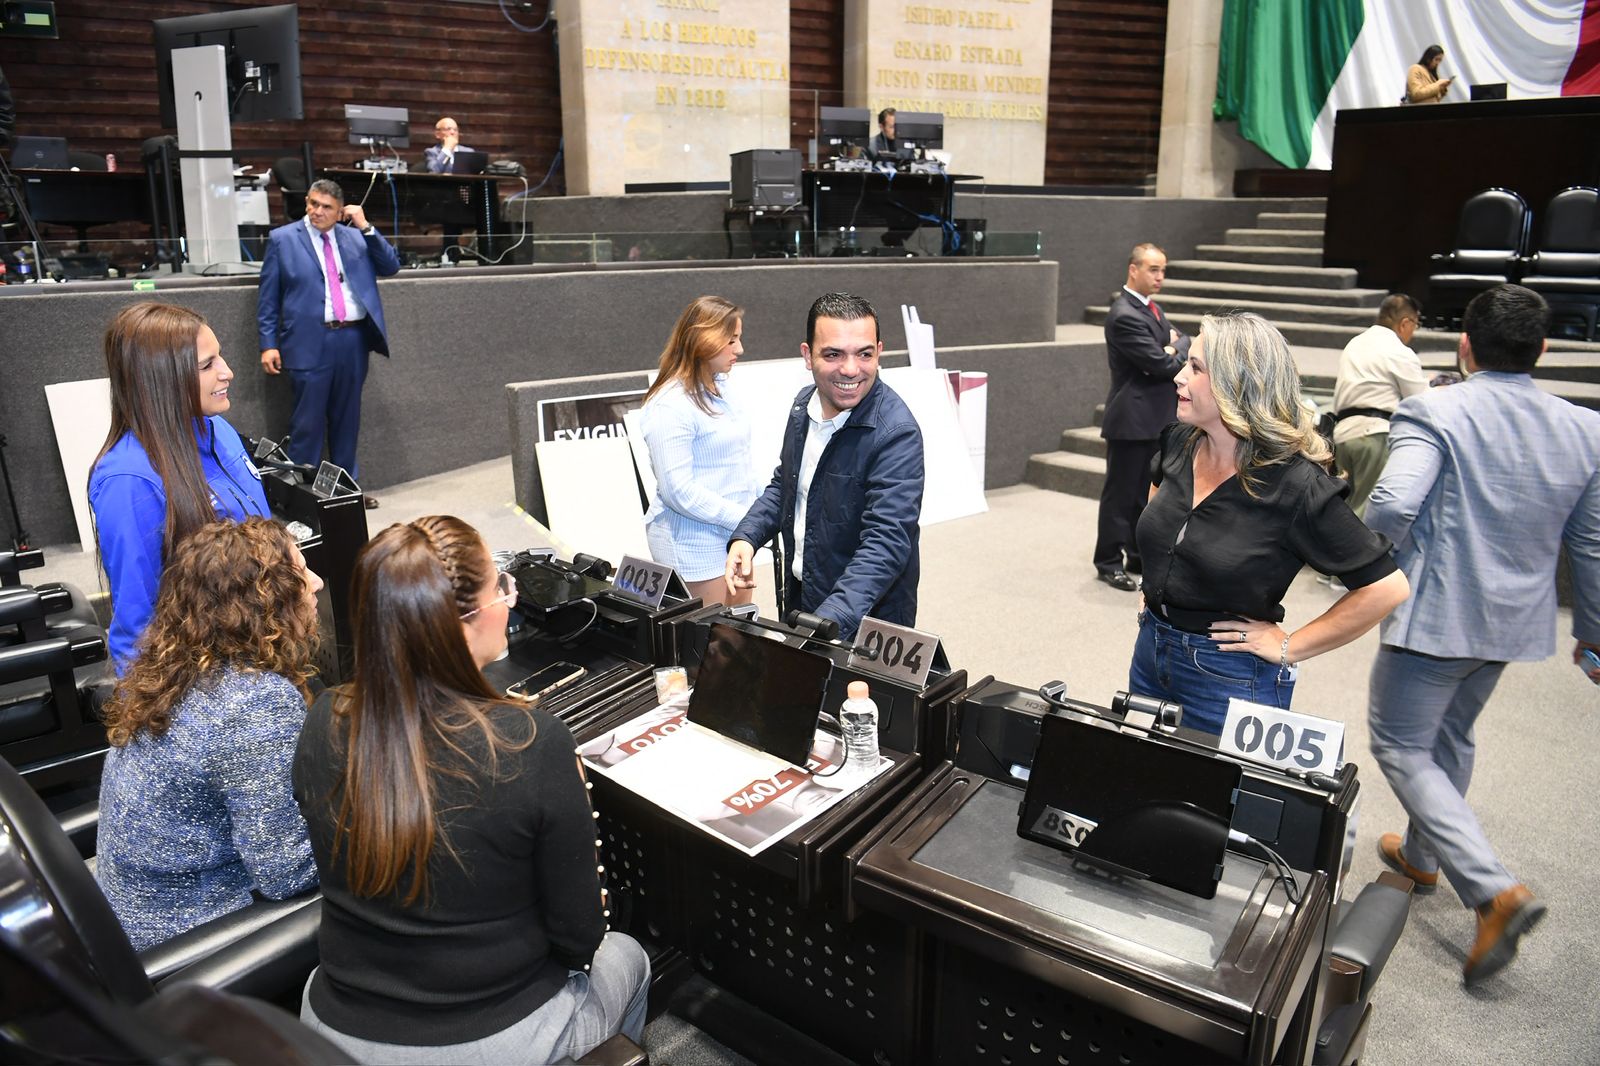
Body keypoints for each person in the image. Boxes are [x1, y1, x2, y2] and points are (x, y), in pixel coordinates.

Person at [293, 515, 648, 1063]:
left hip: (336, 1022)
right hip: (486, 1036)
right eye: (501, 587)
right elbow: (580, 937)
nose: (510, 598)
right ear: (461, 622)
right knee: (629, 957)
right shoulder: (529, 743)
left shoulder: (323, 721)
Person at [1364, 284, 1600, 985]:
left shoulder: (1433, 410)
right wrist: (1593, 633)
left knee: (1400, 744)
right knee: (1451, 737)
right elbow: (1591, 545)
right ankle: (1421, 858)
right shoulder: (1586, 428)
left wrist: (1361, 567)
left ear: (1464, 346)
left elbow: (1393, 503)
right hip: (1512, 622)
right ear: (1543, 349)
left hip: (1435, 617)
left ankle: (1493, 891)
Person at [1130, 311, 1409, 734]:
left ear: (1236, 384)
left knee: (1214, 781)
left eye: (1196, 368)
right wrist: (1152, 585)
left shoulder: (1296, 484)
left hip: (1227, 676)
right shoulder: (1179, 442)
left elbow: (1386, 588)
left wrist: (1289, 646)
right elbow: (1159, 506)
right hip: (1150, 651)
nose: (1179, 377)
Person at [95, 518, 322, 950]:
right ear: (266, 600)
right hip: (188, 943)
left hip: (132, 921)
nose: (317, 583)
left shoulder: (175, 671)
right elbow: (287, 873)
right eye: (302, 573)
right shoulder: (253, 702)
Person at [726, 292, 924, 641]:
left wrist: (827, 621)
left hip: (864, 615)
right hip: (805, 593)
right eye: (834, 354)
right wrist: (748, 536)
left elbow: (886, 542)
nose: (851, 369)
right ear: (808, 355)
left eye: (864, 354)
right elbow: (786, 485)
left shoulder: (896, 433)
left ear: (879, 352)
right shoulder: (803, 406)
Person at [89, 302, 272, 672]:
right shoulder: (129, 481)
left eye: (220, 357)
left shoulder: (218, 429)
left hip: (262, 647)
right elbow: (137, 628)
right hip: (207, 676)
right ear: (161, 379)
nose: (228, 372)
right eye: (207, 365)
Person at [257, 177, 400, 506]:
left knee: (346, 420)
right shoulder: (283, 239)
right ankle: (302, 500)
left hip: (352, 339)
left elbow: (390, 266)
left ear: (340, 212)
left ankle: (345, 493)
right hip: (308, 341)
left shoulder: (355, 237)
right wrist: (268, 343)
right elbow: (268, 298)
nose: (317, 211)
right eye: (313, 203)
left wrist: (365, 226)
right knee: (306, 424)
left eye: (326, 207)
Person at [640, 295, 761, 607]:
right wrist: (745, 518)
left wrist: (757, 518)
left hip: (736, 535)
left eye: (739, 338)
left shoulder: (723, 386)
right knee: (712, 634)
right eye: (731, 340)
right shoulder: (670, 405)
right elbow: (678, 491)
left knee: (739, 627)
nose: (740, 349)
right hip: (694, 546)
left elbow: (737, 463)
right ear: (703, 340)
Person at [1095, 242, 1188, 591]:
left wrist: (1174, 346)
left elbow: (1185, 340)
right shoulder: (1124, 314)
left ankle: (1135, 554)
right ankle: (1108, 561)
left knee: (1143, 496)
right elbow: (1161, 364)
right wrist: (1172, 349)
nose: (1160, 276)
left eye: (1163, 270)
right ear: (1133, 270)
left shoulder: (1152, 308)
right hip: (1130, 419)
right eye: (1153, 269)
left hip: (1153, 418)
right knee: (1119, 497)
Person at [1331, 293, 1430, 516]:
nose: (1414, 331)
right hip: (1373, 436)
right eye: (1415, 324)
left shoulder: (1355, 343)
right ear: (1405, 323)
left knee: (1344, 510)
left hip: (1343, 435)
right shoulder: (1398, 350)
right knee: (1366, 512)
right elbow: (1420, 400)